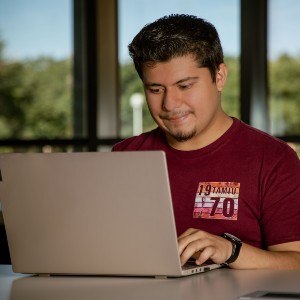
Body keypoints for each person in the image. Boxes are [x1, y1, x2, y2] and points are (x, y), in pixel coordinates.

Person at [112, 14, 300, 269]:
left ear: (219, 76)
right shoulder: (124, 156)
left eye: (185, 86)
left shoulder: (273, 159)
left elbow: (296, 262)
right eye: (155, 90)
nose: (170, 104)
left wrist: (231, 251)